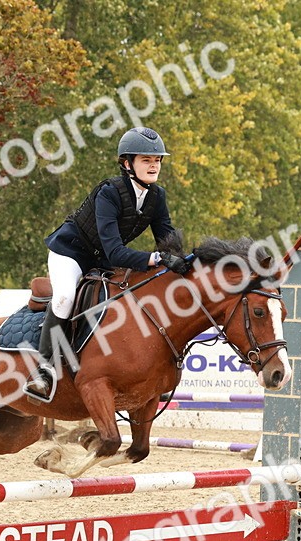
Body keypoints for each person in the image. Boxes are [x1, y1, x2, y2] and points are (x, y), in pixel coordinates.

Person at [24, 126, 190, 401]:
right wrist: (156, 258)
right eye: (146, 160)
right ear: (127, 164)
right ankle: (43, 370)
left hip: (102, 259)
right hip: (71, 253)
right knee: (65, 297)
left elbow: (167, 241)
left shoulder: (156, 197)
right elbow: (116, 252)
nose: (153, 165)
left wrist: (184, 262)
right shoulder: (109, 193)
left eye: (157, 160)